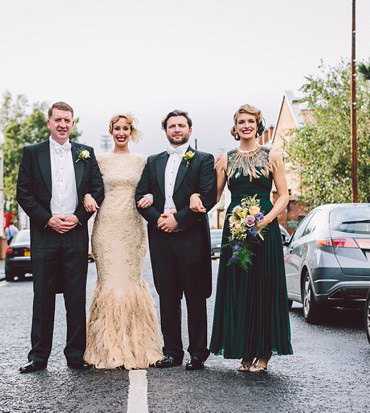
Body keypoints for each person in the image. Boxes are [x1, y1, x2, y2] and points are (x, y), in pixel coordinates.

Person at [190, 104, 292, 373]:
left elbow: (283, 195)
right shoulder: (225, 159)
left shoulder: (273, 155)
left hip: (265, 232)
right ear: (234, 127)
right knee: (240, 289)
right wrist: (194, 199)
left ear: (258, 125)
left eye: (250, 121)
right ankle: (245, 351)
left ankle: (263, 353)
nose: (245, 125)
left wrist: (267, 220)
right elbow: (214, 195)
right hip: (234, 232)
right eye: (240, 122)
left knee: (263, 288)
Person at [16, 101, 104, 373]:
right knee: (42, 296)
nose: (63, 124)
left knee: (75, 298)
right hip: (45, 234)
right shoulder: (32, 153)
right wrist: (47, 219)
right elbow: (23, 192)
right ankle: (38, 357)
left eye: (67, 120)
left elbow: (97, 190)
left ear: (72, 124)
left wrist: (79, 216)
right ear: (49, 123)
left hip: (75, 233)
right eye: (58, 120)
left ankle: (76, 355)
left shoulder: (85, 153)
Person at [135, 110, 216, 371]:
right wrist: (158, 218)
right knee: (167, 295)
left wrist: (178, 220)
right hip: (161, 238)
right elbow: (140, 195)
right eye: (172, 126)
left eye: (181, 125)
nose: (177, 129)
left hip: (190, 237)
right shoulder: (153, 161)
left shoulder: (203, 160)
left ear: (189, 130)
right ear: (166, 131)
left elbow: (208, 196)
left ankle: (198, 354)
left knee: (194, 297)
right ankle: (172, 352)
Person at [81, 114, 163, 370]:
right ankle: (107, 349)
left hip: (132, 226)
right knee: (109, 283)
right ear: (111, 131)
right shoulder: (99, 160)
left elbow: (152, 187)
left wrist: (149, 195)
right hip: (106, 227)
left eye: (125, 128)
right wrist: (85, 195)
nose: (121, 132)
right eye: (117, 128)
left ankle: (137, 347)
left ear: (131, 132)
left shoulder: (142, 161)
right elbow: (88, 185)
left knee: (129, 282)